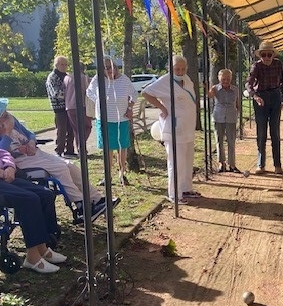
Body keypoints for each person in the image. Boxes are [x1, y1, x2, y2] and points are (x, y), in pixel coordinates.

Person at [0, 94, 108, 222]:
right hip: (18, 161)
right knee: (60, 168)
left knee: (70, 166)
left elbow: (29, 133)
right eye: (1, 111)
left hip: (34, 153)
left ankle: (96, 199)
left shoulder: (10, 118)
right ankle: (80, 205)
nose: (5, 112)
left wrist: (31, 142)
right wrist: (8, 132)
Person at [0, 142, 66, 273]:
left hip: (2, 175)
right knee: (29, 199)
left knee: (45, 194)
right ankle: (32, 257)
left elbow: (1, 152)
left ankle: (42, 248)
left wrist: (9, 166)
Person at [142, 55, 199, 204]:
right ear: (170, 68)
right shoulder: (165, 81)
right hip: (174, 127)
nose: (180, 71)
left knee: (187, 160)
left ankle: (186, 188)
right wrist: (162, 107)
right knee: (176, 162)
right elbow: (145, 93)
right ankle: (174, 194)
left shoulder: (187, 79)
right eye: (176, 69)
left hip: (188, 127)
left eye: (182, 68)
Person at [86, 56, 138, 186]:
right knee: (107, 148)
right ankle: (107, 176)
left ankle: (122, 174)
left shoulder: (124, 80)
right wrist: (98, 100)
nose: (110, 70)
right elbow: (89, 92)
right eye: (106, 68)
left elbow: (134, 94)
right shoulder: (98, 80)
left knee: (122, 147)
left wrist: (130, 107)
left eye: (112, 67)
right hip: (104, 119)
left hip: (121, 118)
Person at [245, 41, 283, 175]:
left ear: (273, 55)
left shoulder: (278, 64)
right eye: (264, 54)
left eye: (269, 54)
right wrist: (255, 96)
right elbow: (248, 83)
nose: (267, 57)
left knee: (275, 132)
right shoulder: (256, 66)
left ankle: (277, 164)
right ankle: (261, 164)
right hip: (261, 98)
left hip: (275, 96)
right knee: (261, 132)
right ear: (260, 55)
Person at [208, 68, 240, 173]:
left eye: (228, 79)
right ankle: (222, 163)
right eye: (223, 79)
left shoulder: (235, 89)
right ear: (219, 79)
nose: (225, 81)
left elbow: (238, 103)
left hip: (231, 116)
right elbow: (210, 96)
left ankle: (232, 164)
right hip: (218, 116)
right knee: (219, 141)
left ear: (231, 79)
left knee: (231, 141)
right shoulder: (215, 88)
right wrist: (207, 89)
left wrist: (238, 114)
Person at [46, 55, 76, 158]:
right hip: (59, 107)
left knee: (71, 129)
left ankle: (70, 150)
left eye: (66, 64)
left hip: (69, 106)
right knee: (62, 129)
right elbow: (56, 93)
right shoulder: (52, 77)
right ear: (56, 65)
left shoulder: (67, 76)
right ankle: (59, 150)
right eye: (62, 64)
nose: (64, 66)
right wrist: (70, 94)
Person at [64, 62, 92, 154]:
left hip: (69, 107)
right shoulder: (84, 78)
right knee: (87, 126)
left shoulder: (67, 78)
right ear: (83, 69)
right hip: (82, 105)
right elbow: (88, 91)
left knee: (76, 129)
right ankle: (81, 147)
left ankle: (81, 149)